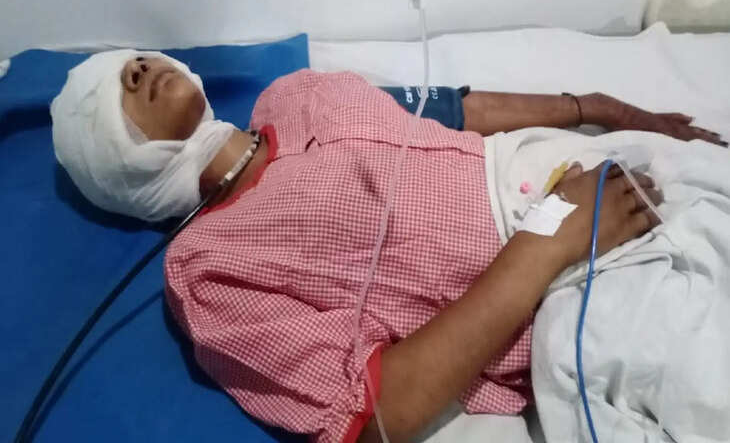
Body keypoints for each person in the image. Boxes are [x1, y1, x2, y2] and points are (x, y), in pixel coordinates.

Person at [51, 51, 724, 443]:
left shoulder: (296, 93)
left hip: (572, 169)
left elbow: (455, 110)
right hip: (558, 284)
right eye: (107, 101)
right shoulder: (206, 269)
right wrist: (550, 239)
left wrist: (601, 108)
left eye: (132, 60)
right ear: (114, 176)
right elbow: (376, 412)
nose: (135, 70)